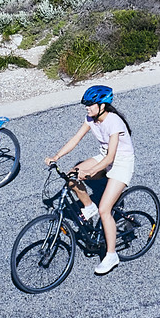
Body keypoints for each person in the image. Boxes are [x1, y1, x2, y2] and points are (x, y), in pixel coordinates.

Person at [45, 85, 136, 275]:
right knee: (71, 176)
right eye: (86, 105)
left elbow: (111, 158)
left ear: (102, 105)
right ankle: (88, 206)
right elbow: (75, 139)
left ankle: (111, 255)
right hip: (103, 158)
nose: (87, 108)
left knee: (105, 210)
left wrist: (90, 172)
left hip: (120, 165)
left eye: (90, 105)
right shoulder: (91, 118)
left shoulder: (114, 122)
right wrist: (57, 156)